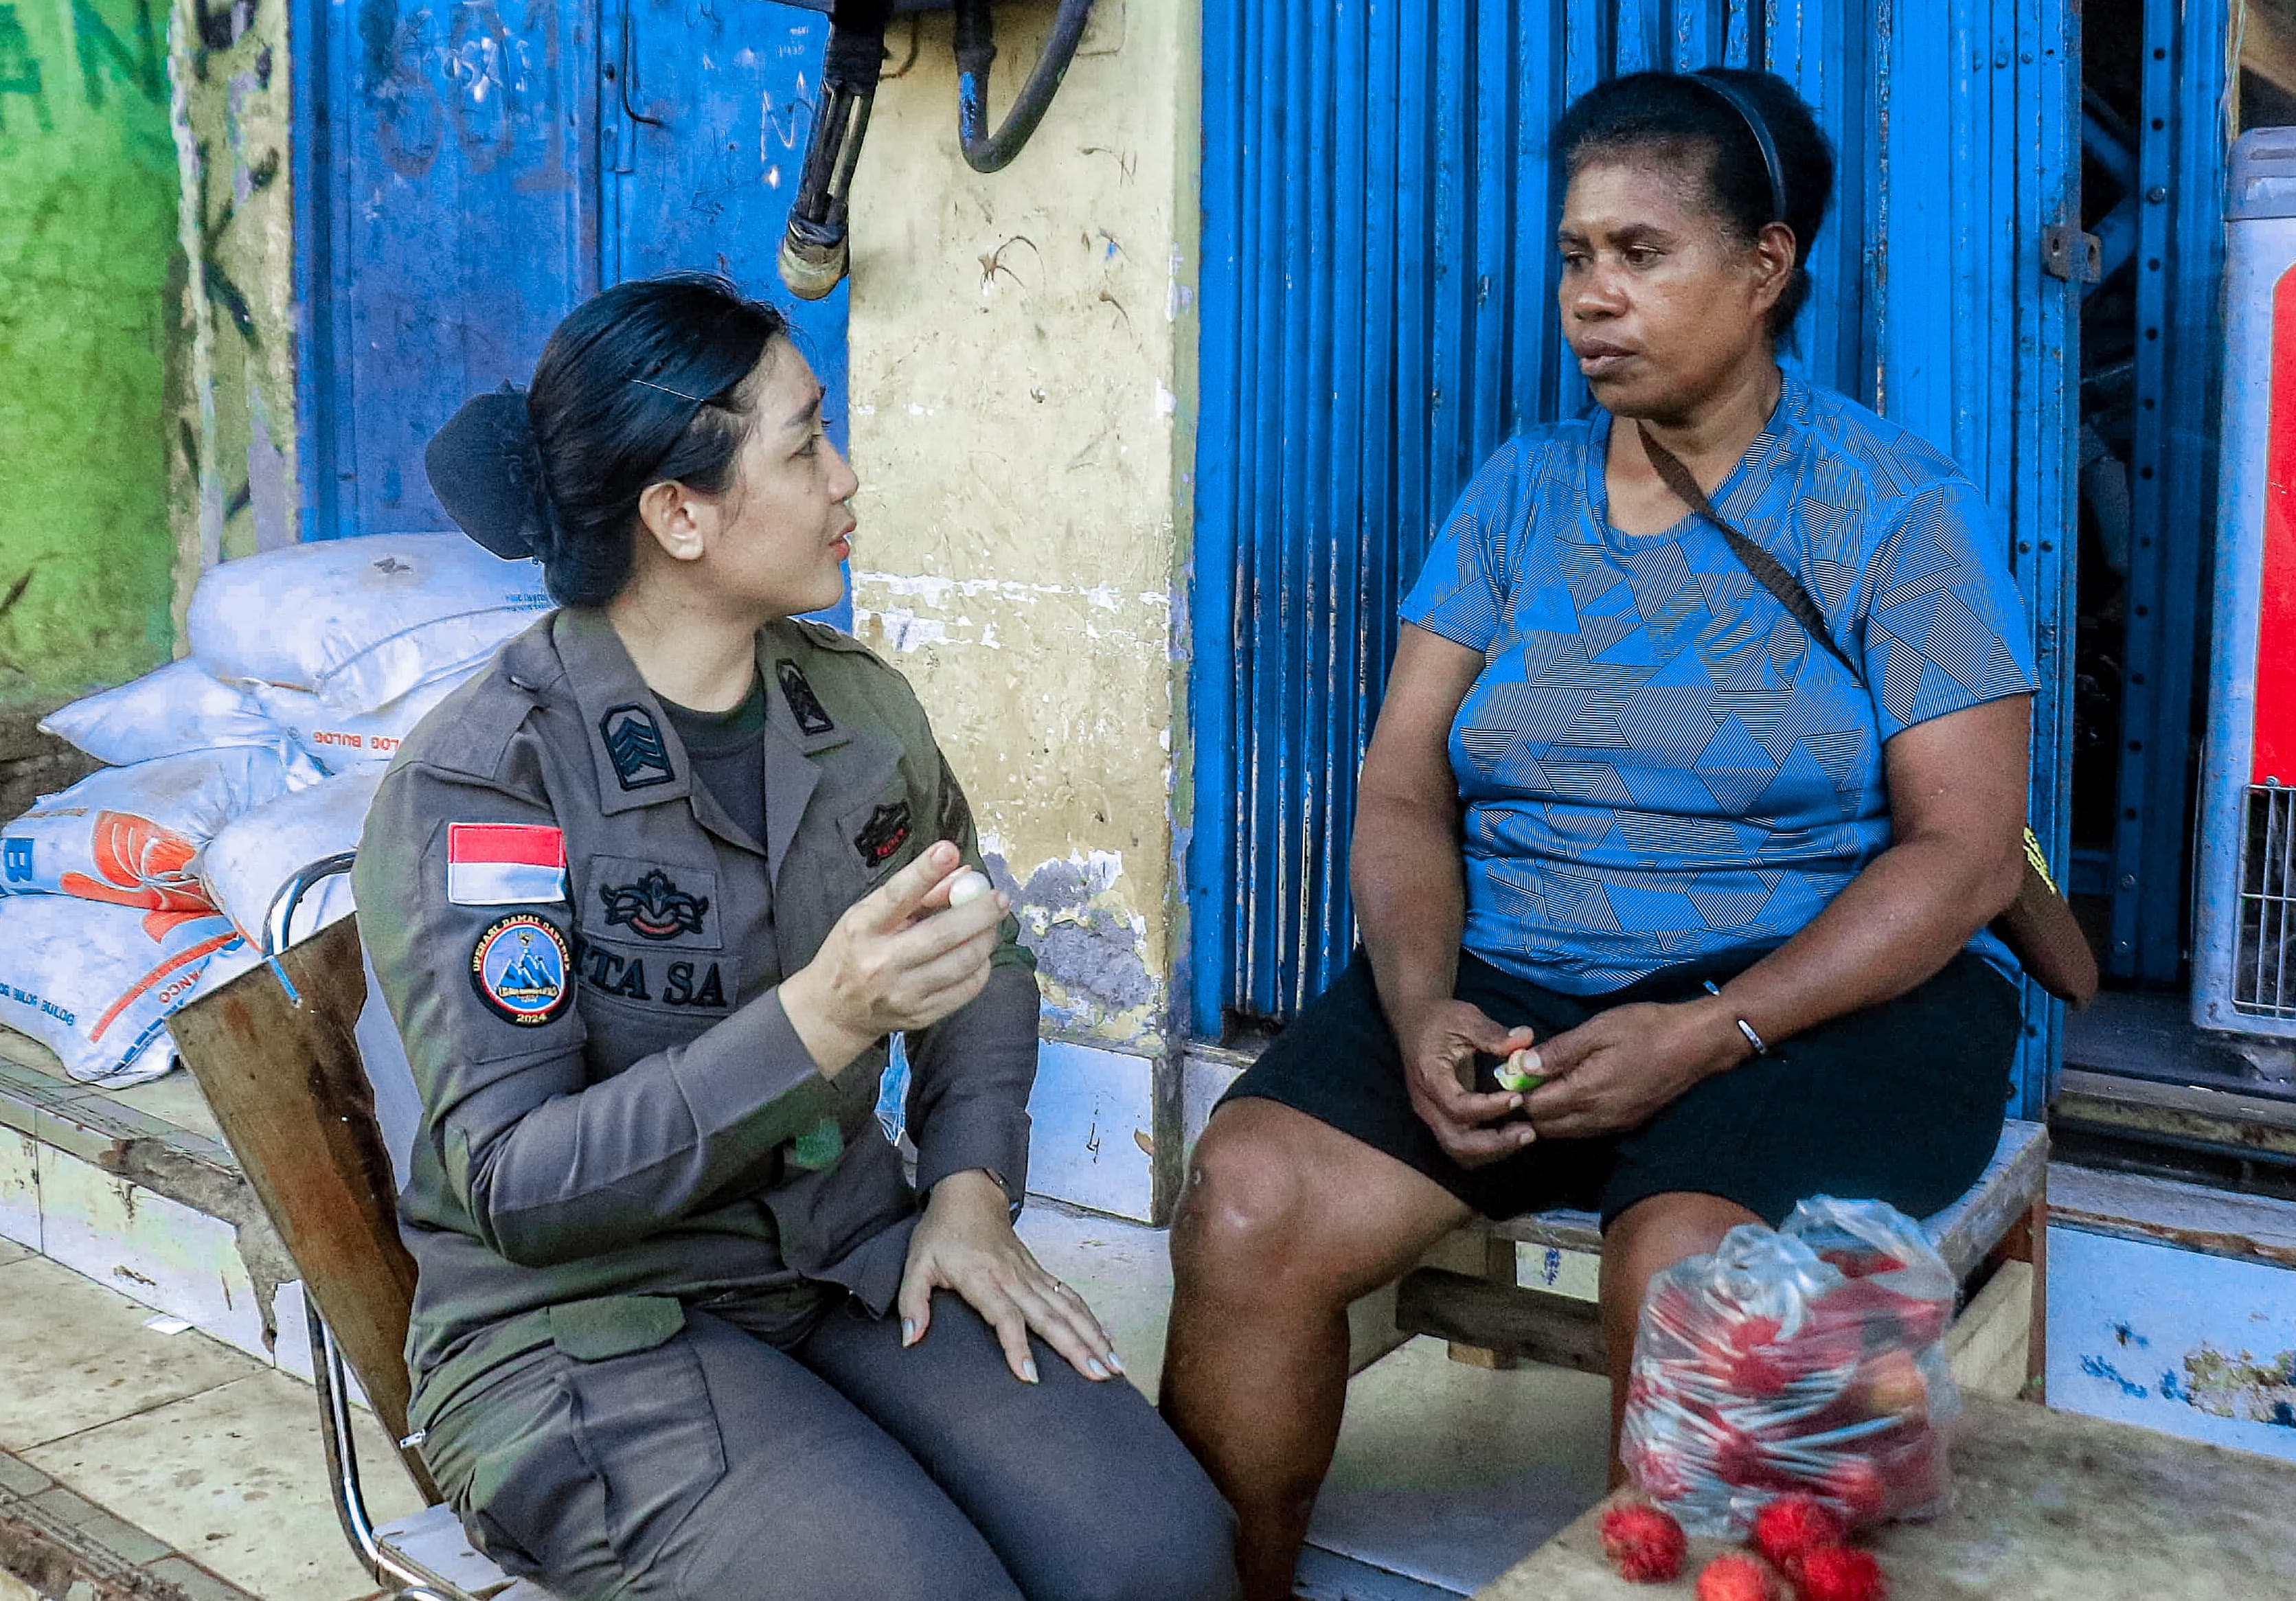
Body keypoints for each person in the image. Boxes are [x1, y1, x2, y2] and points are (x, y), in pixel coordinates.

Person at [1159, 69, 2039, 1598]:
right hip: (1522, 972)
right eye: (1576, 255)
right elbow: (1401, 788)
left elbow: (1962, 852)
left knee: (1688, 1276)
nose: (1593, 297)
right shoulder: (1518, 493)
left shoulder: (1894, 512)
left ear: (1765, 268)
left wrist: (1706, 1034)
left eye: (1643, 253)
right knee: (1247, 1197)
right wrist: (1428, 1003)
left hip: (1805, 998)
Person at [355, 274, 1236, 1601]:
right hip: (584, 1330)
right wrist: (820, 1020)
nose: (844, 474)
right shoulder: (490, 785)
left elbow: (978, 958)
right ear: (680, 513)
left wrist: (969, 1194)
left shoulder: (854, 708)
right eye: (804, 440)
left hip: (842, 1254)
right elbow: (522, 1186)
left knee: (1158, 1555)